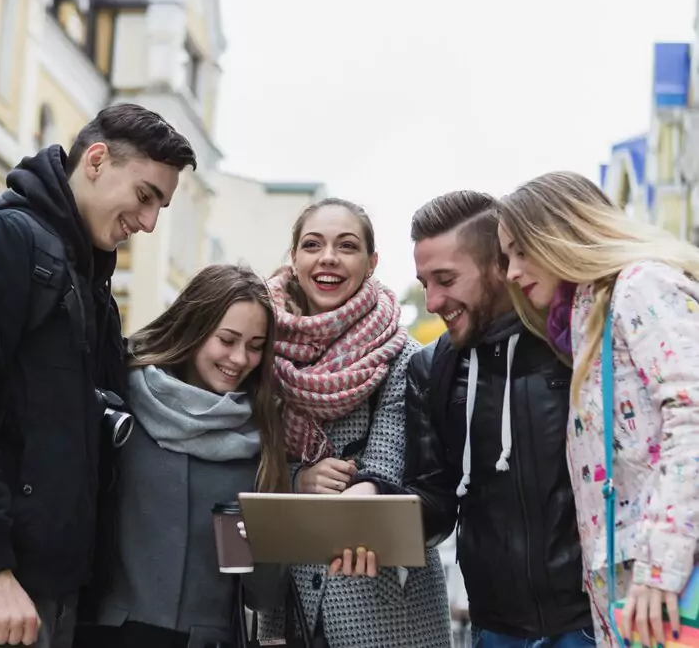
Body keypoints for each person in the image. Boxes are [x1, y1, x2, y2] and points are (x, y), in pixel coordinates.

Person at [0, 103, 195, 648]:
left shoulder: (89, 280)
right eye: (145, 196)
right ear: (95, 160)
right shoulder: (4, 241)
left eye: (160, 205)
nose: (149, 222)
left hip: (51, 592)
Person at [383, 190, 594, 648]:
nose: (434, 301)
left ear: (500, 267)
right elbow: (434, 499)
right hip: (494, 629)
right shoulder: (431, 368)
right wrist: (375, 511)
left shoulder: (575, 342)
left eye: (446, 279)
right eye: (425, 283)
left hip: (591, 621)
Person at [498, 171, 699, 648]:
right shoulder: (589, 321)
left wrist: (659, 567)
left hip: (670, 585)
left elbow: (693, 415)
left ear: (564, 232)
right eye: (506, 257)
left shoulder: (640, 285)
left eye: (521, 250)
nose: (510, 272)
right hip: (639, 593)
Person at [258, 197, 451, 648]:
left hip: (386, 607)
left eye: (346, 246)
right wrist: (298, 479)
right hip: (291, 609)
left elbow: (387, 463)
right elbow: (247, 458)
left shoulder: (402, 356)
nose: (328, 258)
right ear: (295, 258)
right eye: (313, 245)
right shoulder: (260, 348)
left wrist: (367, 495)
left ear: (371, 263)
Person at [72, 264, 289, 648]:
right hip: (105, 633)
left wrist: (256, 534)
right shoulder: (120, 398)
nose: (240, 359)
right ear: (195, 327)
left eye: (256, 346)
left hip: (207, 640)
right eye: (227, 339)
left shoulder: (262, 435)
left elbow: (262, 593)